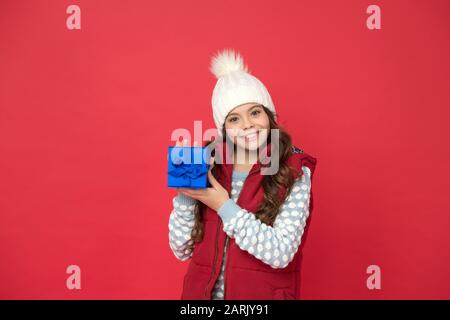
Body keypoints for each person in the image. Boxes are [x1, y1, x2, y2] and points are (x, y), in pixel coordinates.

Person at [168, 49, 317, 300]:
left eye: (255, 113)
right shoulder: (205, 162)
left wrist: (222, 205)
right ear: (223, 129)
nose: (247, 124)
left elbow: (281, 252)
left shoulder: (293, 170)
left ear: (270, 116)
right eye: (234, 118)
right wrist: (187, 195)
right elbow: (181, 250)